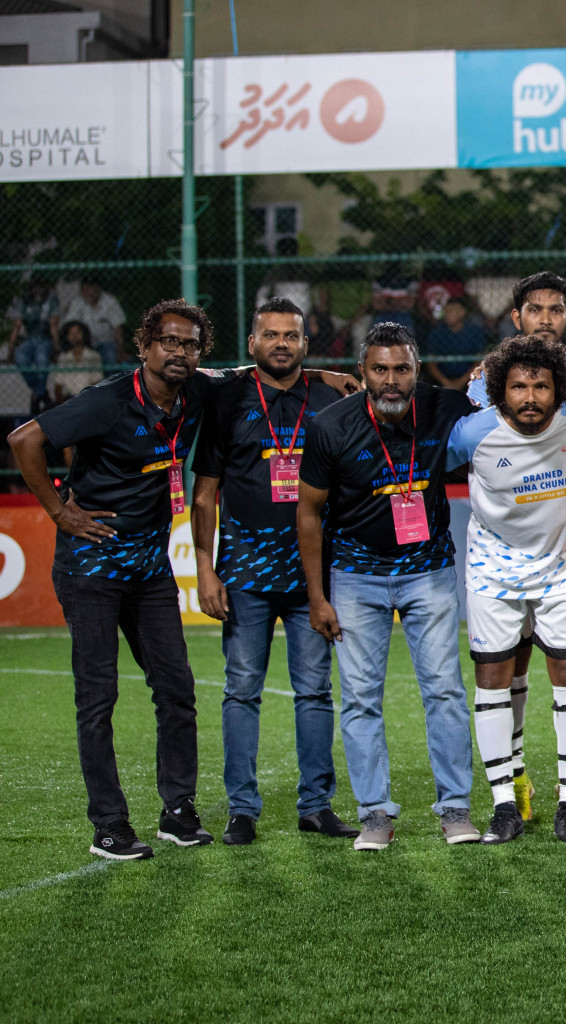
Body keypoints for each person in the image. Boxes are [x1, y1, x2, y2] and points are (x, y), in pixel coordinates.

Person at [7, 299, 221, 859]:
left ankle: (178, 811)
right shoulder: (106, 401)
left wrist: (322, 373)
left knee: (177, 691)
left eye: (190, 344)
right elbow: (24, 440)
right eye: (169, 342)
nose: (179, 352)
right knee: (97, 699)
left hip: (150, 569)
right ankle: (109, 825)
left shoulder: (195, 389)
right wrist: (59, 513)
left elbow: (246, 376)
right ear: (145, 345)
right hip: (92, 567)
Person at [296, 322, 480, 851]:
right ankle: (374, 813)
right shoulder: (330, 426)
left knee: (444, 689)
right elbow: (308, 513)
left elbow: (508, 412)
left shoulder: (446, 408)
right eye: (380, 370)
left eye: (402, 369)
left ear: (416, 370)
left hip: (430, 571)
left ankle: (454, 809)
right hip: (355, 577)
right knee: (358, 698)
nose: (392, 380)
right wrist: (318, 595)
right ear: (363, 373)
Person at [190, 297, 355, 846]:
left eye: (291, 335)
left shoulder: (331, 395)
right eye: (270, 335)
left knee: (314, 690)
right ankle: (242, 809)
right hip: (244, 570)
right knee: (241, 689)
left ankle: (316, 806)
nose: (281, 343)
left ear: (305, 345)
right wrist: (206, 571)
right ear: (253, 343)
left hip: (314, 570)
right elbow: (205, 494)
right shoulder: (227, 398)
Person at [466, 271, 566, 826]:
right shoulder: (486, 379)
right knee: (511, 664)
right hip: (511, 536)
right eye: (535, 310)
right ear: (517, 318)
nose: (546, 319)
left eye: (556, 310)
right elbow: (476, 438)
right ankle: (512, 781)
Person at [449, 335, 566, 845]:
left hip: (562, 573)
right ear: (500, 392)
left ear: (559, 388)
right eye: (519, 386)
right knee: (493, 682)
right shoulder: (472, 434)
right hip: (492, 576)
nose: (531, 396)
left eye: (541, 385)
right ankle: (503, 807)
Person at [8, 278, 59, 405]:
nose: (38, 290)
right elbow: (17, 326)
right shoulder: (24, 300)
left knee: (41, 358)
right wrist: (10, 349)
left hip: (45, 339)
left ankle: (37, 396)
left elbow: (54, 326)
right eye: (35, 287)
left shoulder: (52, 300)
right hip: (29, 339)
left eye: (41, 287)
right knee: (20, 357)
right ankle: (41, 393)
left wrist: (56, 348)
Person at [424, 296, 488, 391]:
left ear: (462, 312)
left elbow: (479, 361)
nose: (447, 314)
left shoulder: (474, 332)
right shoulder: (437, 332)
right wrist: (446, 382)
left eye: (452, 311)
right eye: (446, 310)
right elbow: (431, 363)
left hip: (469, 378)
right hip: (443, 379)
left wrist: (460, 382)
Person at [60, 278, 126, 365]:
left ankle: (110, 378)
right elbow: (69, 325)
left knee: (109, 355)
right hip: (84, 344)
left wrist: (120, 349)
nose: (87, 293)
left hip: (105, 343)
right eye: (84, 290)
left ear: (98, 289)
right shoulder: (77, 302)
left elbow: (118, 327)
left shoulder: (110, 301)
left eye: (90, 289)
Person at [47, 320, 103, 405]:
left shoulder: (93, 356)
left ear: (84, 334)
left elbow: (96, 382)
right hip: (69, 399)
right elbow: (58, 385)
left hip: (88, 398)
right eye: (71, 333)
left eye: (78, 332)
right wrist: (61, 403)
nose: (75, 336)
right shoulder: (64, 358)